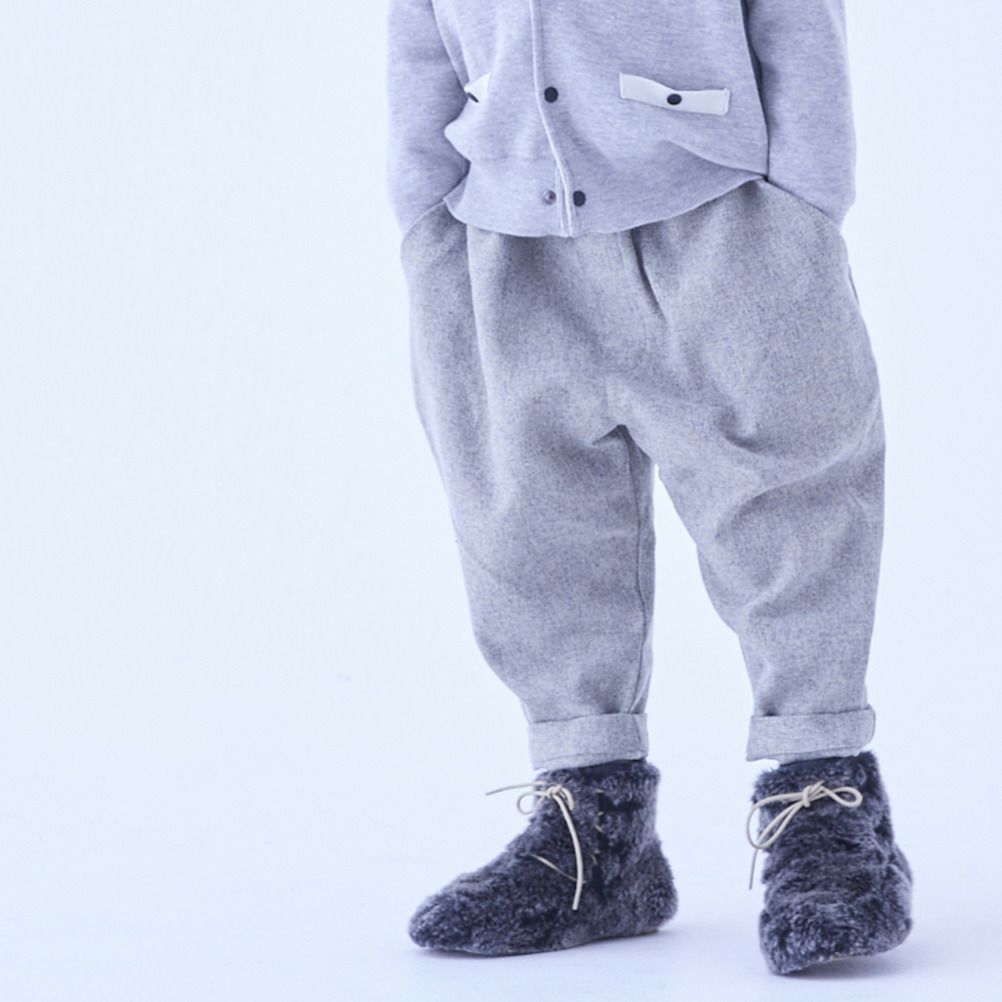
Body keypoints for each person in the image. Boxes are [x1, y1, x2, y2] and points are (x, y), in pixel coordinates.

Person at [384, 0, 913, 974]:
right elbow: (419, 32)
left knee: (787, 502)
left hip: (721, 210)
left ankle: (824, 797)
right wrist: (424, 212)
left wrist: (802, 208)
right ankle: (593, 828)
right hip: (500, 225)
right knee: (526, 528)